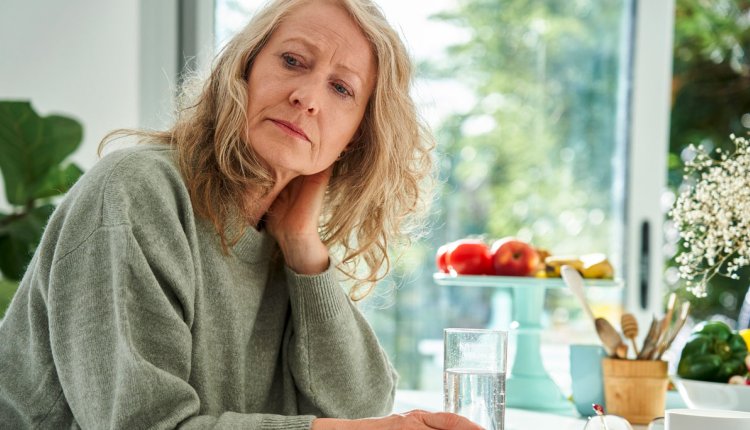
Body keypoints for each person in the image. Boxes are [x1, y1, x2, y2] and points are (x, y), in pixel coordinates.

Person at [0, 0, 482, 429]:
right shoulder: (136, 192)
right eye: (292, 61)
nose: (307, 97)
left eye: (341, 89)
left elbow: (362, 405)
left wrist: (304, 250)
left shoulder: (283, 237)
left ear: (355, 136)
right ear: (244, 67)